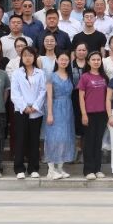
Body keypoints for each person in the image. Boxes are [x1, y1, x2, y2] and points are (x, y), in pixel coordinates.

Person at [10, 47, 47, 179]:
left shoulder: (40, 73)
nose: (27, 58)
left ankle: (33, 168)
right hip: (21, 111)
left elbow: (43, 91)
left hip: (36, 111)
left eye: (30, 55)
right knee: (20, 139)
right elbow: (14, 92)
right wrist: (25, 107)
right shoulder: (17, 73)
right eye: (25, 55)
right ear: (21, 57)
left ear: (34, 57)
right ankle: (19, 168)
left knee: (34, 140)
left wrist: (35, 106)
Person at [42, 50, 76, 180]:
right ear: (57, 60)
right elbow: (49, 97)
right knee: (54, 138)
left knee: (65, 137)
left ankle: (60, 168)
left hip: (68, 109)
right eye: (61, 59)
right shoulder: (51, 76)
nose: (63, 62)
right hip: (55, 107)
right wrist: (50, 114)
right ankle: (51, 170)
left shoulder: (70, 76)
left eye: (66, 60)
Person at [78, 52, 109, 179]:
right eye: (93, 59)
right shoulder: (85, 77)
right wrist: (84, 114)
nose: (96, 62)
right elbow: (81, 97)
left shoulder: (104, 77)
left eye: (98, 59)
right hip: (89, 113)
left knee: (98, 142)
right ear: (88, 61)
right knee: (89, 142)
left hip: (102, 114)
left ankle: (97, 169)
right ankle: (88, 170)